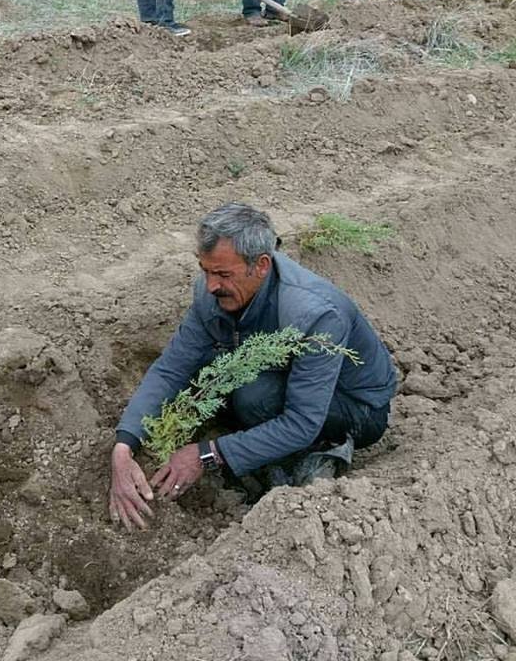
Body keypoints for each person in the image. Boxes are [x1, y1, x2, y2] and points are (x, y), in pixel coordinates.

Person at [108, 202, 396, 530]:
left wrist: (205, 454)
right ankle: (252, 444)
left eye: (223, 274)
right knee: (206, 369)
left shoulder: (315, 314)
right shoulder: (214, 294)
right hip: (288, 377)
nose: (211, 284)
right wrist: (124, 444)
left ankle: (313, 458)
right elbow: (172, 367)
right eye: (205, 270)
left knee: (253, 395)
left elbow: (303, 420)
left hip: (356, 408)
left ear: (260, 265)